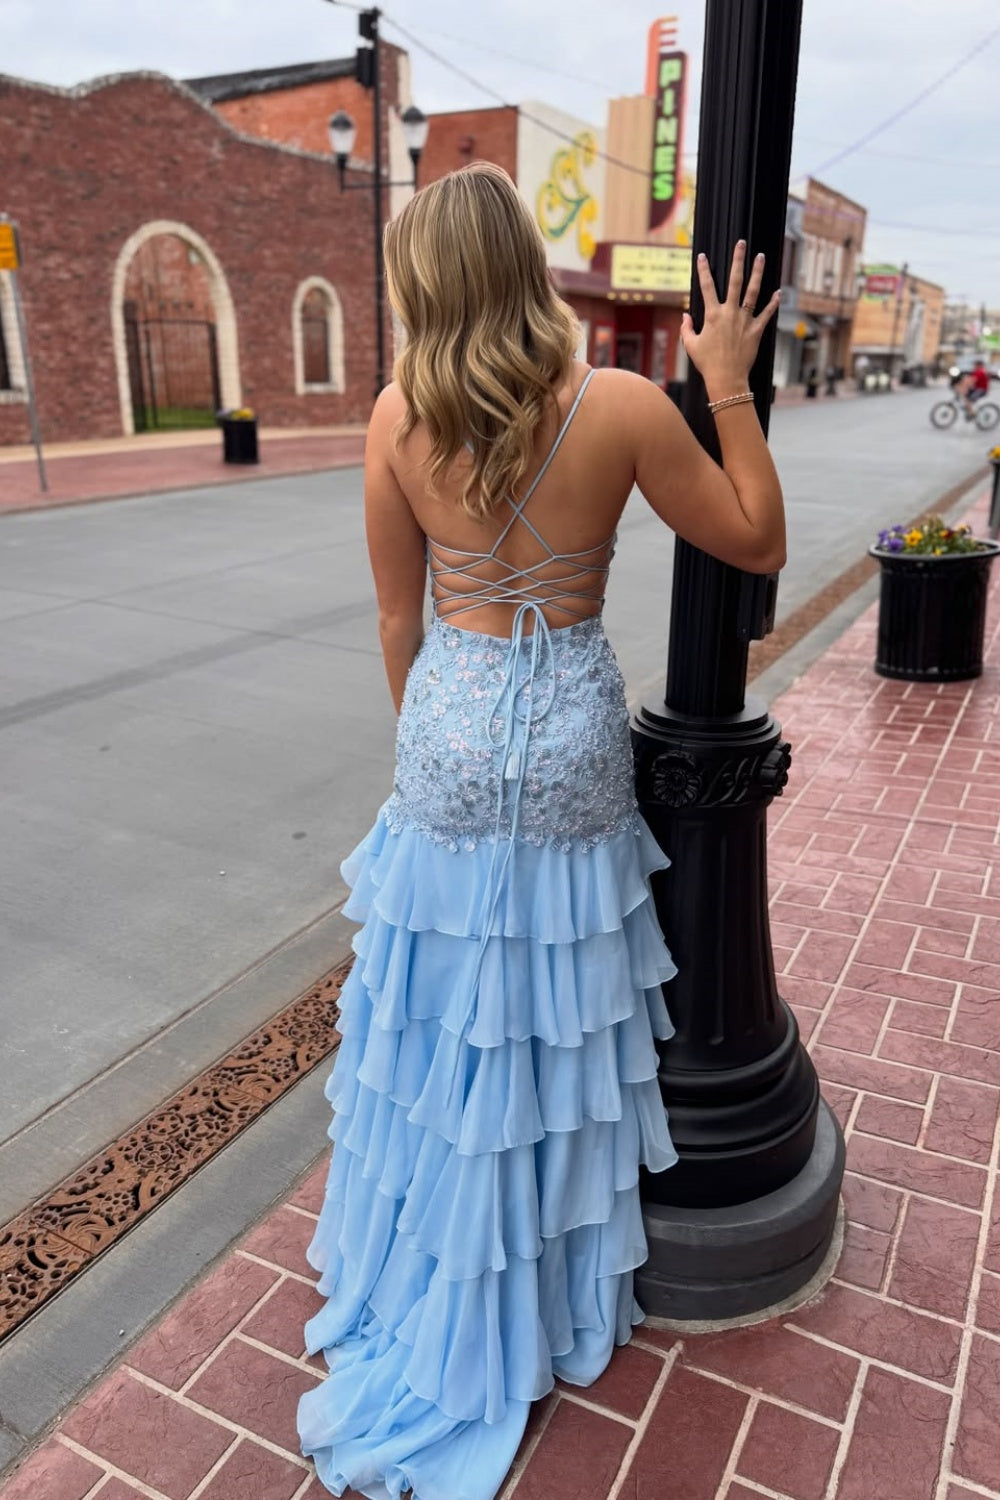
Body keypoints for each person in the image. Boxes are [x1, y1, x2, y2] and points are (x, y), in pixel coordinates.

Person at [296, 162, 784, 1500]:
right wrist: (726, 376)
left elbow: (400, 621)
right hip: (568, 725)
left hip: (448, 722)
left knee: (448, 1018)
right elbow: (755, 533)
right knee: (552, 1016)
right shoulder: (620, 405)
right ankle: (546, 1279)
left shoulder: (399, 414)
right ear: (521, 263)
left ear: (419, 282)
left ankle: (429, 1265)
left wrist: (433, 754)